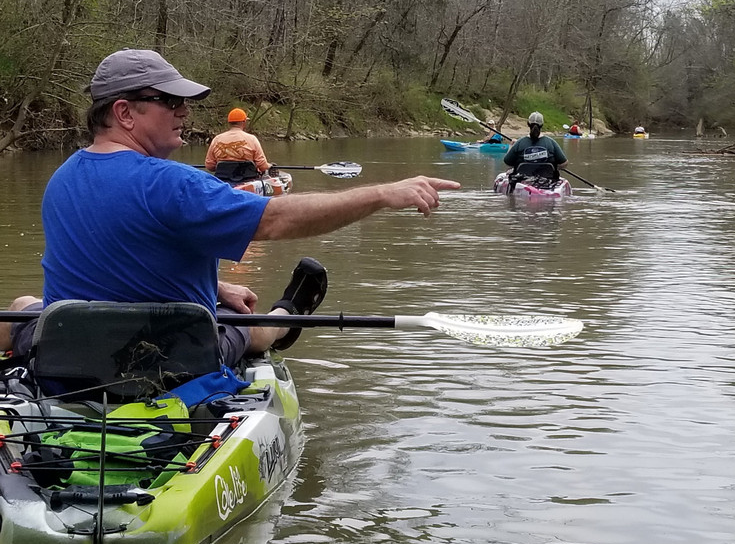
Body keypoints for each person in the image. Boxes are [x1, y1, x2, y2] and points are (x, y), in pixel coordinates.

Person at [0, 48, 459, 369]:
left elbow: (116, 253)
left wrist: (214, 284)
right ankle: (287, 317)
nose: (185, 111)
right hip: (170, 356)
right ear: (125, 113)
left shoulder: (60, 179)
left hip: (73, 353)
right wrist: (381, 194)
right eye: (170, 101)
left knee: (24, 306)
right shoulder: (176, 184)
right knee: (250, 325)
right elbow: (276, 219)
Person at [205, 107, 271, 178]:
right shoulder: (252, 139)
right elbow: (263, 166)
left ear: (229, 122)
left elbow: (209, 166)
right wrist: (270, 165)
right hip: (248, 179)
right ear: (244, 122)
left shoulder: (217, 139)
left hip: (223, 179)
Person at [502, 112, 568, 183]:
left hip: (522, 181)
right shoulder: (551, 143)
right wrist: (555, 168)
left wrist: (511, 146)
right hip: (547, 180)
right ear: (542, 125)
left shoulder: (519, 143)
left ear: (528, 124)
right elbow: (564, 163)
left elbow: (507, 162)